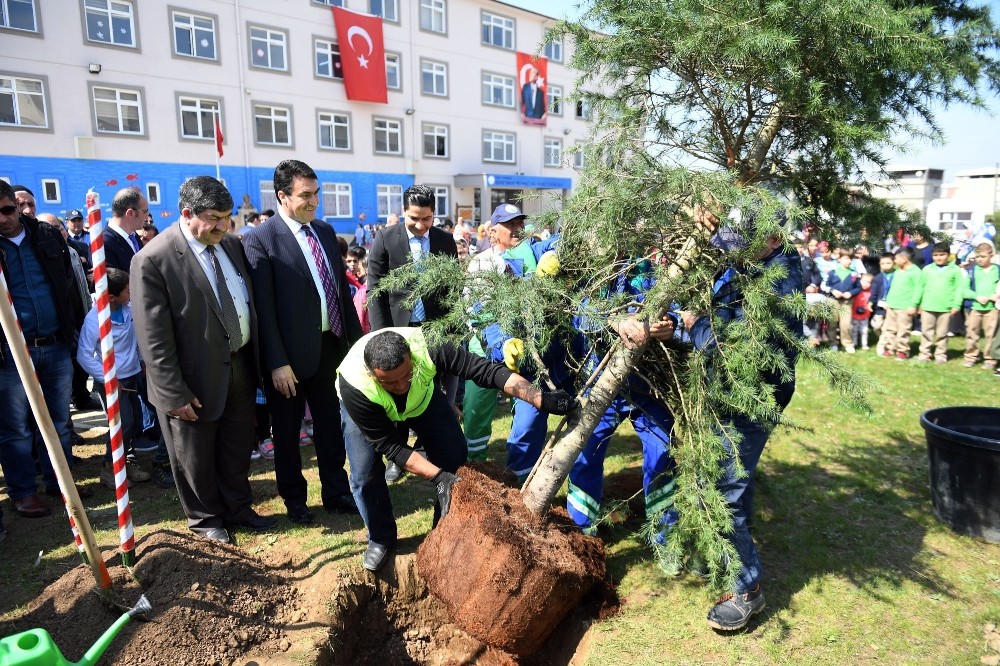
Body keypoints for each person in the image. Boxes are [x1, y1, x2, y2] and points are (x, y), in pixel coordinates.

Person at [336, 327, 577, 571]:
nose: (400, 386)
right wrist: (438, 477)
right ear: (372, 375)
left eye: (407, 375)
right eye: (390, 381)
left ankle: (442, 529)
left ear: (412, 357)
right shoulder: (355, 385)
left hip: (422, 401)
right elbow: (391, 447)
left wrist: (540, 398)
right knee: (364, 473)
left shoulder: (429, 346)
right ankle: (381, 537)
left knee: (453, 453)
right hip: (370, 409)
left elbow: (486, 371)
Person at [131, 176, 275, 543]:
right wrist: (172, 392)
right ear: (186, 213)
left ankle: (238, 508)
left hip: (239, 364)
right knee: (193, 455)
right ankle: (206, 519)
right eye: (214, 218)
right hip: (190, 379)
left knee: (236, 444)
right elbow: (153, 336)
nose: (223, 226)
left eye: (227, 218)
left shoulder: (230, 245)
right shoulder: (153, 259)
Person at [680, 226, 803, 632]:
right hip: (737, 393)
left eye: (740, 248)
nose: (732, 257)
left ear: (770, 239)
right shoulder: (755, 268)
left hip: (751, 397)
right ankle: (731, 554)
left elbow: (735, 346)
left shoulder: (778, 281)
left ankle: (747, 589)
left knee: (723, 488)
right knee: (737, 482)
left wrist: (697, 326)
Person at [244, 160, 363, 524]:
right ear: (282, 196)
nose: (314, 202)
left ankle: (336, 491)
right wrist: (277, 363)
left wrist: (357, 346)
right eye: (305, 195)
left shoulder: (324, 231)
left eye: (317, 193)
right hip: (289, 360)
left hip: (331, 348)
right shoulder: (260, 239)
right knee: (287, 433)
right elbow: (263, 309)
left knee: (331, 425)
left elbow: (341, 293)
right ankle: (295, 500)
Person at [0, 180, 90, 521]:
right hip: (10, 353)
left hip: (53, 344)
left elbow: (67, 283)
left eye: (8, 210)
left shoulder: (46, 236)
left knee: (59, 421)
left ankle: (59, 481)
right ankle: (23, 492)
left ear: (17, 206)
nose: (4, 219)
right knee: (15, 428)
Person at [76, 267, 151, 489]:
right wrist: (108, 378)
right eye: (127, 291)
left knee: (135, 421)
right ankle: (109, 467)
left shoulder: (128, 309)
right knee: (123, 423)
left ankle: (126, 460)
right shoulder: (95, 320)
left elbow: (136, 337)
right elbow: (84, 355)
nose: (131, 294)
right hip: (112, 381)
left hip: (132, 374)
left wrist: (142, 361)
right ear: (111, 297)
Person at [367, 184, 458, 330]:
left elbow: (453, 287)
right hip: (398, 327)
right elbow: (375, 288)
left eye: (427, 219)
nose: (420, 225)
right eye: (414, 218)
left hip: (437, 327)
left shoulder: (445, 241)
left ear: (434, 213)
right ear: (404, 211)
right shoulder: (385, 239)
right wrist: (380, 333)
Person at [917, 242, 963, 363]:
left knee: (942, 333)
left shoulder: (955, 270)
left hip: (946, 307)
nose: (939, 257)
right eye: (936, 255)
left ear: (948, 255)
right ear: (932, 256)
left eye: (942, 254)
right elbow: (920, 287)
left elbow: (959, 289)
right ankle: (924, 353)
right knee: (926, 331)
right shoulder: (927, 269)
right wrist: (918, 303)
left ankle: (940, 354)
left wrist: (956, 304)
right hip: (928, 306)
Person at [880, 246, 923, 360]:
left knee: (903, 330)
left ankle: (902, 351)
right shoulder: (898, 270)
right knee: (890, 329)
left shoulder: (916, 272)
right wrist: (888, 301)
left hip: (905, 307)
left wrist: (914, 305)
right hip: (892, 305)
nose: (894, 261)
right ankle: (890, 348)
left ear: (904, 258)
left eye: (896, 258)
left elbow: (918, 290)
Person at [961, 242, 999, 369]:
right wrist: (976, 296)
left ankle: (990, 358)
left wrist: (996, 295)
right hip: (975, 307)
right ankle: (971, 356)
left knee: (991, 334)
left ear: (991, 255)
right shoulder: (972, 270)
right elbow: (965, 290)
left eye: (983, 256)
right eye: (977, 257)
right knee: (972, 332)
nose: (980, 259)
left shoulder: (997, 270)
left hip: (992, 309)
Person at [103, 187, 148, 271]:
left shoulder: (133, 236)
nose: (147, 216)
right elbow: (114, 281)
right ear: (130, 213)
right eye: (145, 211)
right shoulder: (104, 242)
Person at [825, 247, 861, 353]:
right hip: (833, 301)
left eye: (850, 259)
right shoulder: (832, 272)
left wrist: (851, 293)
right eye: (846, 258)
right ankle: (833, 343)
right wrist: (832, 290)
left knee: (846, 324)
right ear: (839, 259)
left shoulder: (854, 273)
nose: (848, 261)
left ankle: (848, 343)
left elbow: (858, 288)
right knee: (832, 323)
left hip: (846, 303)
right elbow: (825, 285)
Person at [869, 252, 895, 355]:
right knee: (876, 326)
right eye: (883, 263)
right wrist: (871, 301)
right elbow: (874, 291)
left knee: (886, 328)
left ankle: (881, 346)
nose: (886, 265)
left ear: (894, 263)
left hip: (891, 306)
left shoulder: (897, 275)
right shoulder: (878, 277)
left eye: (888, 263)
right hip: (879, 307)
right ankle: (884, 339)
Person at [851, 273, 873, 351]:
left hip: (865, 315)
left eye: (868, 282)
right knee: (854, 329)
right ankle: (854, 342)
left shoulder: (871, 292)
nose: (865, 284)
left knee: (864, 330)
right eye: (863, 281)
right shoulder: (856, 291)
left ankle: (864, 344)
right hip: (854, 314)